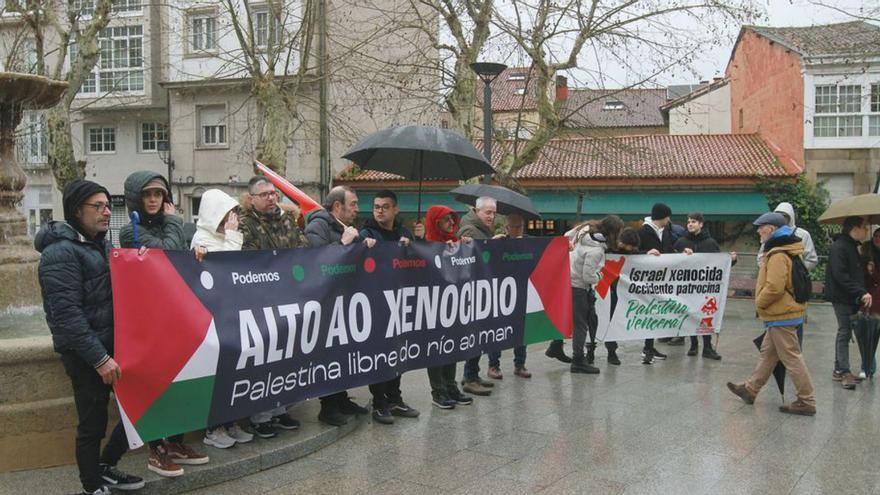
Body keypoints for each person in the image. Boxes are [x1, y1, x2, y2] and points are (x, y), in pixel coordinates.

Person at [36, 180, 144, 495]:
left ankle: (106, 465)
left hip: (115, 346)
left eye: (107, 205)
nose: (106, 211)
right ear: (76, 210)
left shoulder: (101, 243)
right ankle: (92, 485)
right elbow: (67, 316)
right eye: (97, 206)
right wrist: (99, 358)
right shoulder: (60, 253)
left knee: (140, 409)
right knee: (92, 424)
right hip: (85, 356)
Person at [119, 171, 208, 477]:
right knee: (155, 384)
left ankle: (176, 443)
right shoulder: (129, 231)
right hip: (149, 321)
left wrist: (196, 253)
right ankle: (156, 449)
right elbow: (167, 250)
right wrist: (175, 225)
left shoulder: (168, 226)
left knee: (182, 382)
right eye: (147, 195)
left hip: (174, 316)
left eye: (159, 194)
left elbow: (179, 256)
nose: (154, 200)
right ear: (136, 198)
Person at [238, 176, 310, 435]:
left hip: (290, 299)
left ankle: (280, 408)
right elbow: (250, 257)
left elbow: (303, 248)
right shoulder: (245, 225)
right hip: (261, 301)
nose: (271, 197)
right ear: (251, 199)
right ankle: (261, 416)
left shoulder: (288, 221)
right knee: (264, 360)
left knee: (286, 357)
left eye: (273, 193)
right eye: (264, 194)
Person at [727, 212, 816, 416]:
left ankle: (807, 400)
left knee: (792, 357)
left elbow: (774, 287)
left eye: (762, 227)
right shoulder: (785, 249)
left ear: (772, 230)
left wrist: (759, 302)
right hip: (784, 312)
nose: (758, 231)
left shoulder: (777, 254)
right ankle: (750, 389)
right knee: (768, 354)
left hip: (781, 314)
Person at [190, 189, 255, 449]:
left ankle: (230, 421)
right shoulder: (201, 239)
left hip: (231, 313)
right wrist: (231, 236)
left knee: (233, 372)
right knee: (217, 374)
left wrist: (231, 235)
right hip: (213, 317)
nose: (231, 218)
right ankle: (213, 427)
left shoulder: (227, 235)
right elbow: (228, 268)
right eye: (225, 213)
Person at [304, 185, 373, 425]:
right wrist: (343, 244)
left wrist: (364, 246)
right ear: (337, 206)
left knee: (344, 352)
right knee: (327, 354)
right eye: (352, 204)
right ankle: (328, 406)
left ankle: (342, 397)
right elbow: (316, 261)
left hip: (345, 299)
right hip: (325, 302)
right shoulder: (317, 226)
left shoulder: (347, 228)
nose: (357, 209)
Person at [358, 190, 421, 424]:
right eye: (376, 206)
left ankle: (395, 399)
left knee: (398, 352)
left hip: (400, 302)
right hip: (376, 303)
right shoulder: (367, 233)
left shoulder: (403, 232)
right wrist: (363, 246)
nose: (379, 210)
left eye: (385, 206)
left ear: (395, 209)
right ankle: (379, 403)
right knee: (379, 353)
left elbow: (418, 264)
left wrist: (413, 244)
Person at [422, 205, 475, 408]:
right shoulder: (427, 245)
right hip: (433, 306)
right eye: (446, 220)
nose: (452, 223)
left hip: (452, 305)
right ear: (436, 222)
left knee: (451, 345)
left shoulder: (453, 243)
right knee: (436, 348)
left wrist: (465, 245)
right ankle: (438, 391)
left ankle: (451, 385)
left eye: (453, 219)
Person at [673, 212, 736, 360]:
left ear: (701, 224)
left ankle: (707, 347)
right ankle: (693, 345)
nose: (690, 224)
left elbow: (720, 265)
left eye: (693, 222)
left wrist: (732, 260)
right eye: (688, 222)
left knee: (706, 315)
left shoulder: (711, 243)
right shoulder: (680, 242)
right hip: (687, 287)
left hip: (705, 288)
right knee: (690, 315)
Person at [458, 197, 505, 392]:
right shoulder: (469, 229)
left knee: (479, 336)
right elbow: (471, 255)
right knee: (474, 335)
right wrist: (489, 243)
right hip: (471, 289)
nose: (491, 216)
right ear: (477, 211)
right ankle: (470, 378)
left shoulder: (481, 228)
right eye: (488, 212)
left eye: (494, 213)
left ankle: (472, 374)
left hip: (480, 287)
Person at [566, 215, 624, 373]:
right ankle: (578, 360)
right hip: (579, 286)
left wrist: (570, 248)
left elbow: (565, 236)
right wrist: (600, 275)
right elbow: (588, 276)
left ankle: (578, 357)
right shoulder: (596, 250)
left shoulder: (584, 230)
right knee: (581, 325)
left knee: (580, 323)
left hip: (569, 279)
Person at [825, 216, 873, 390]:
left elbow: (853, 271)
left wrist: (865, 263)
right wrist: (861, 292)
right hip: (841, 297)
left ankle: (839, 369)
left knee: (844, 331)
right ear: (854, 228)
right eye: (864, 227)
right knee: (844, 331)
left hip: (849, 297)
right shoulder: (840, 247)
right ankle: (843, 371)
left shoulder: (852, 246)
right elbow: (841, 275)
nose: (866, 231)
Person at [487, 213, 531, 378]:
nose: (517, 230)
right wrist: (493, 243)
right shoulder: (500, 242)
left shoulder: (529, 242)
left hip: (522, 291)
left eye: (519, 226)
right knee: (497, 329)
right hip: (502, 292)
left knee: (521, 330)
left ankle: (520, 364)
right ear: (507, 228)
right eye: (513, 227)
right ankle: (493, 365)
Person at [638, 202, 674, 355]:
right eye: (667, 217)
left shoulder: (665, 231)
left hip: (661, 278)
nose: (668, 220)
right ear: (662, 217)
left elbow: (669, 249)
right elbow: (635, 251)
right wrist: (646, 253)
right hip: (647, 278)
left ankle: (649, 345)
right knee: (648, 311)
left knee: (654, 312)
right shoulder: (643, 231)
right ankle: (647, 346)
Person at [603, 227, 642, 365]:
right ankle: (593, 350)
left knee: (611, 321)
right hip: (606, 290)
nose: (628, 249)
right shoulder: (607, 250)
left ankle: (611, 351)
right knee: (600, 321)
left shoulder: (631, 252)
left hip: (619, 292)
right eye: (627, 246)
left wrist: (649, 254)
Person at [756, 202, 818, 270]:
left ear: (790, 216)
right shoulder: (771, 233)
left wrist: (794, 270)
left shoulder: (803, 234)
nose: (781, 218)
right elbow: (761, 256)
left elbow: (812, 260)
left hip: (795, 277)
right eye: (778, 215)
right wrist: (769, 268)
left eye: (784, 216)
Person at [862, 227, 880, 378]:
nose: (877, 239)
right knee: (870, 333)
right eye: (876, 236)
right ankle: (869, 365)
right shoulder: (867, 252)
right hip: (871, 299)